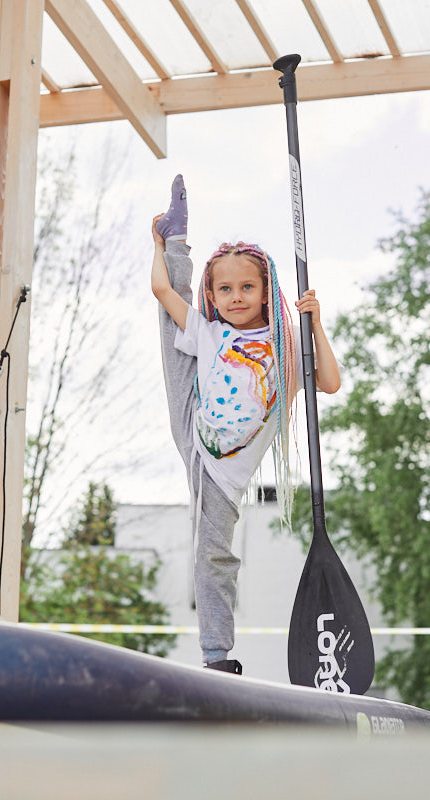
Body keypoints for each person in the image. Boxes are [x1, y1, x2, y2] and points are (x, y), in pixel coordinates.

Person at [151, 174, 341, 675]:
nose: (236, 296)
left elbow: (330, 381)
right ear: (213, 293)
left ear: (264, 291)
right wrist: (162, 246)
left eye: (247, 287)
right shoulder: (211, 331)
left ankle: (218, 655)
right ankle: (179, 236)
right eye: (225, 288)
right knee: (174, 333)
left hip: (222, 474)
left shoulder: (284, 353)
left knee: (213, 558)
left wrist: (314, 323)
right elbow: (161, 291)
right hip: (194, 424)